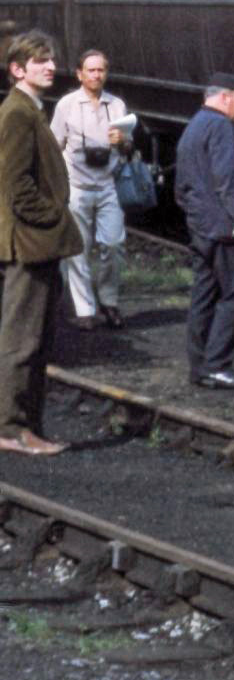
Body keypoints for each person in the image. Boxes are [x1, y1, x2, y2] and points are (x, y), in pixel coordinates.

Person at [0, 33, 77, 455]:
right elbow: (14, 184)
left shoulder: (30, 109)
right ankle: (11, 429)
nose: (50, 67)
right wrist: (51, 217)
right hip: (28, 242)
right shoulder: (16, 113)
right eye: (40, 61)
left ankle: (27, 426)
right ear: (18, 69)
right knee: (22, 340)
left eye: (51, 60)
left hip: (36, 242)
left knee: (37, 338)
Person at [174, 73, 234, 389]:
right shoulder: (222, 126)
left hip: (201, 224)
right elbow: (228, 176)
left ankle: (199, 365)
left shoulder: (194, 125)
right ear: (226, 97)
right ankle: (218, 363)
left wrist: (195, 215)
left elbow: (181, 184)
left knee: (205, 292)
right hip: (223, 226)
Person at [50, 48, 130, 329]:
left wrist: (122, 140)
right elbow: (54, 145)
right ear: (79, 74)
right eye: (91, 70)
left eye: (101, 70)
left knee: (113, 244)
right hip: (77, 185)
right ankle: (85, 310)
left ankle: (109, 302)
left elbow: (128, 147)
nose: (97, 75)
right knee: (78, 248)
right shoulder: (67, 105)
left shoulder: (116, 105)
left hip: (108, 184)